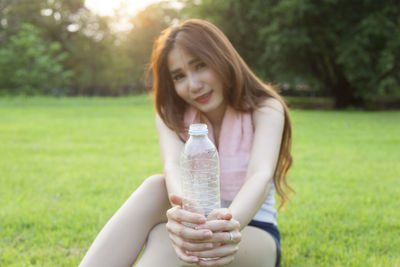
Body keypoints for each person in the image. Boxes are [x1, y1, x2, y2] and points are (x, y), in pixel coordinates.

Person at [79, 18, 293, 267]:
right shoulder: (171, 114)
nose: (193, 85)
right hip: (194, 223)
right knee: (157, 189)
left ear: (222, 59)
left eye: (200, 66)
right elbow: (173, 167)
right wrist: (189, 225)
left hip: (250, 231)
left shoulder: (266, 108)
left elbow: (260, 175)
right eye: (179, 76)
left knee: (168, 239)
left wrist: (221, 230)